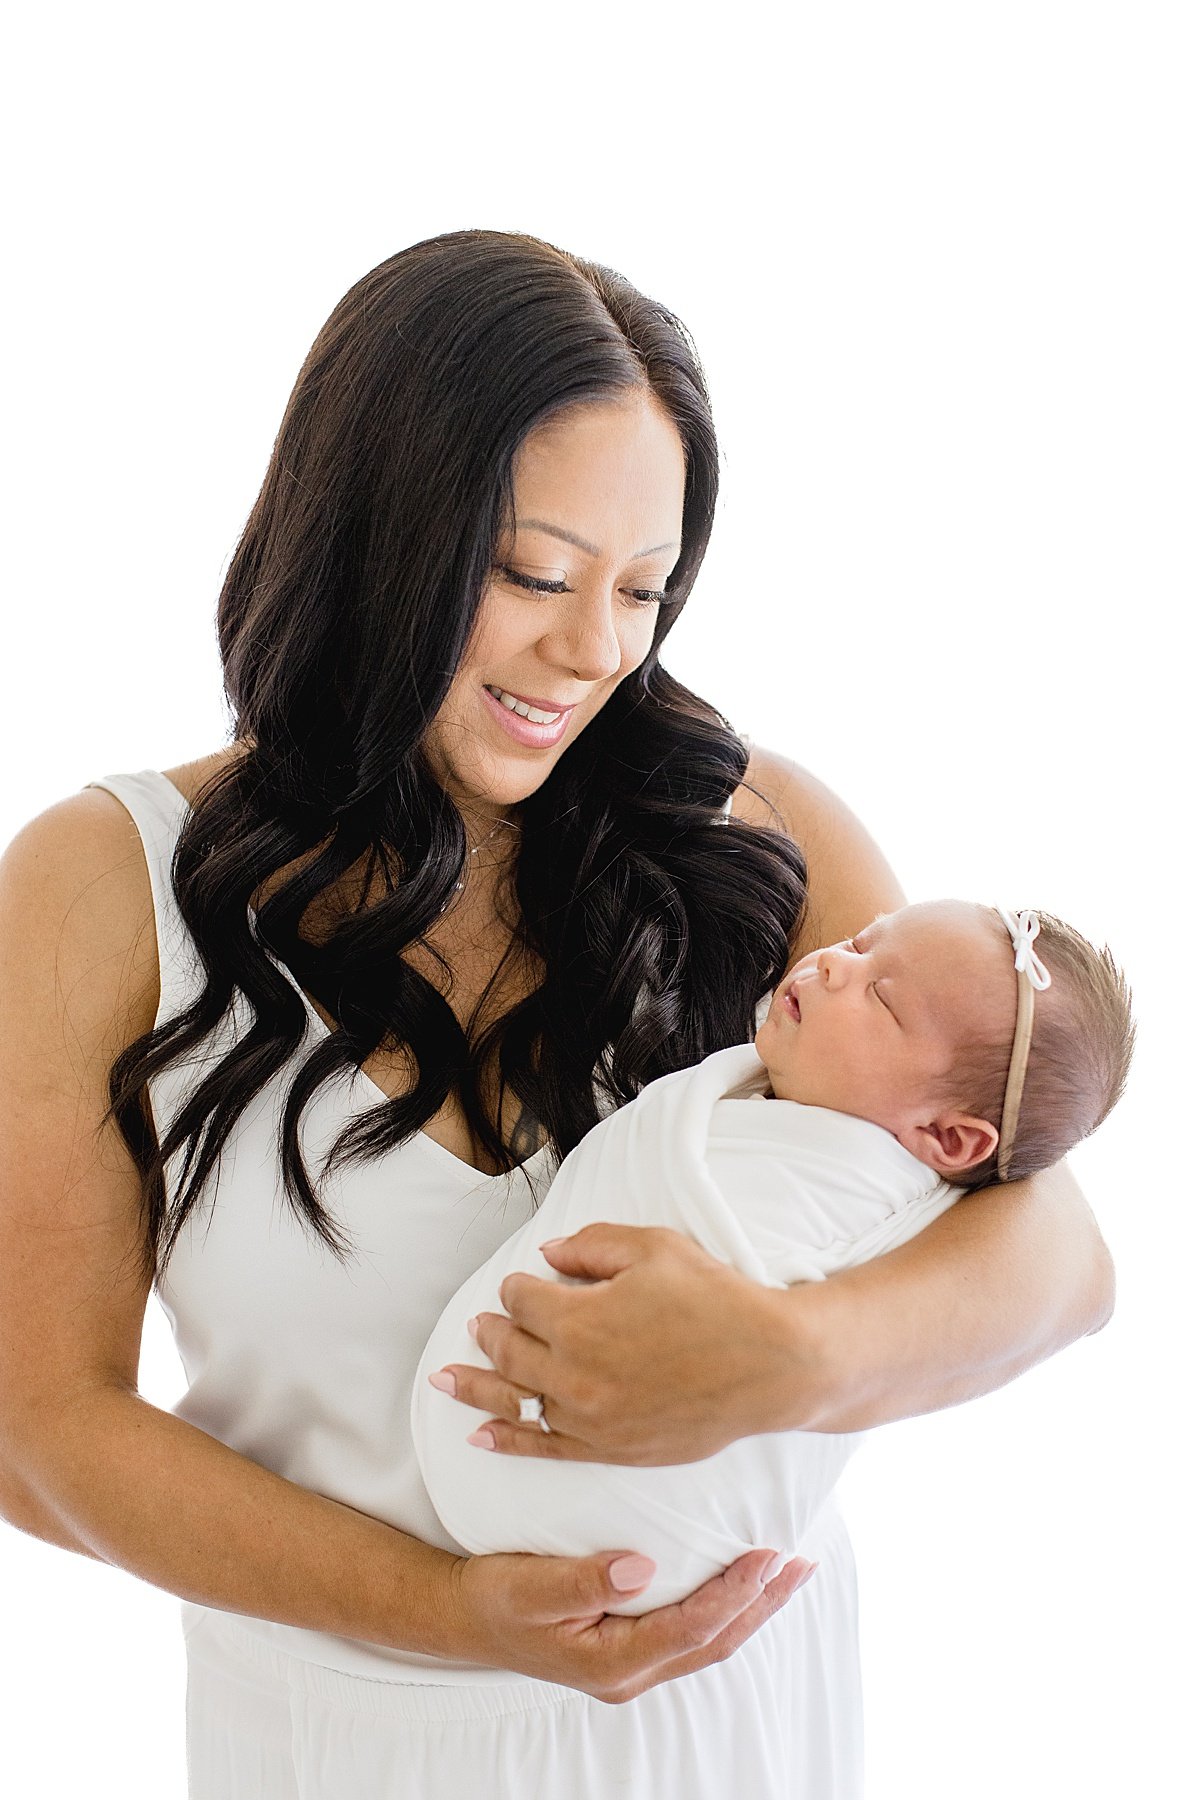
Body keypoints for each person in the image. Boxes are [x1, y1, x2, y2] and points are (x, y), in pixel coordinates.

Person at [0, 231, 1115, 1799]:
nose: (592, 651)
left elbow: (1056, 1256)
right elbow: (41, 1432)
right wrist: (452, 1613)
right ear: (376, 532)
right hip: (354, 1740)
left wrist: (790, 1357)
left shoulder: (753, 834)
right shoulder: (100, 884)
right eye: (531, 574)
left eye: (642, 588)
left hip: (737, 1731)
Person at [415, 901, 1133, 1615]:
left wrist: (798, 1349)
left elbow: (1082, 1275)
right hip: (485, 1543)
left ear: (948, 1143)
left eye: (880, 996)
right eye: (858, 942)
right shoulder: (815, 1081)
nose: (833, 964)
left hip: (652, 1539)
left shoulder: (868, 1191)